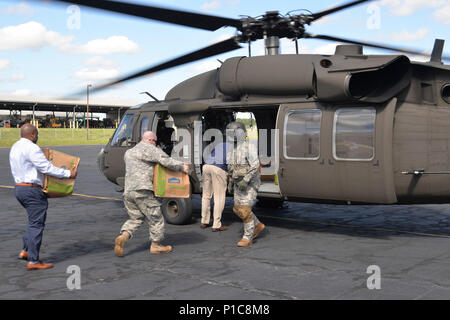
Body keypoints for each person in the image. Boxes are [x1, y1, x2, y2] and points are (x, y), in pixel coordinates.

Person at [9, 124, 77, 270]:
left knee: (32, 222)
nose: (38, 137)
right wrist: (68, 174)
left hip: (19, 188)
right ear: (33, 134)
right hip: (32, 191)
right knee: (36, 225)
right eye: (37, 134)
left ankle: (26, 251)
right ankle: (33, 261)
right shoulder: (33, 148)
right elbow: (46, 167)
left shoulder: (15, 146)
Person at [114, 131, 189, 257]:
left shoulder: (129, 152)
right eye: (155, 141)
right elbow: (166, 161)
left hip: (128, 191)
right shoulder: (150, 149)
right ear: (151, 140)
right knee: (156, 217)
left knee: (136, 218)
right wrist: (182, 167)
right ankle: (156, 245)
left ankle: (123, 236)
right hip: (142, 190)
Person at [226, 122, 265, 247]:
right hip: (238, 183)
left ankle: (247, 237)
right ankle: (258, 225)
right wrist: (231, 183)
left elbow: (255, 165)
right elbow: (232, 168)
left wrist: (246, 180)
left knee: (244, 210)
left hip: (250, 183)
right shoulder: (232, 149)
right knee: (237, 209)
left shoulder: (249, 147)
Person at [201, 140, 232, 232]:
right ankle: (216, 225)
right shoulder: (234, 148)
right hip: (218, 168)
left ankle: (204, 221)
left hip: (206, 166)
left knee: (206, 196)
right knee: (219, 197)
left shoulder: (220, 144)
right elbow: (230, 164)